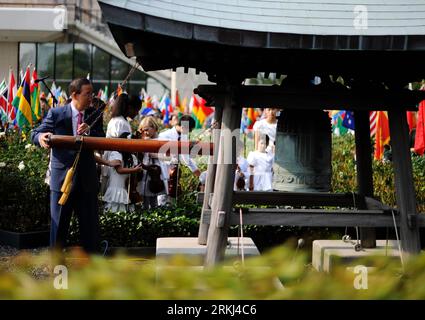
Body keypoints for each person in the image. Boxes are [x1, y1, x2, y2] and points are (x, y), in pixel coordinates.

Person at [31, 78, 104, 253]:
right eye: (87, 94)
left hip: (87, 181)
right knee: (59, 229)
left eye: (92, 93)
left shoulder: (95, 114)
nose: (91, 97)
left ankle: (93, 270)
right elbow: (36, 133)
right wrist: (41, 138)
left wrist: (91, 132)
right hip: (62, 182)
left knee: (90, 229)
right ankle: (56, 271)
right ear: (74, 95)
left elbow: (102, 138)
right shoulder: (56, 114)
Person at [158, 114, 201, 203]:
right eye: (189, 130)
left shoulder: (183, 135)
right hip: (164, 168)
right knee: (162, 196)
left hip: (174, 171)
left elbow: (185, 155)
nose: (188, 132)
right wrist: (195, 170)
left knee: (171, 197)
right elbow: (183, 157)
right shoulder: (164, 135)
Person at [103, 132, 143, 213]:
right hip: (116, 187)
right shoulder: (116, 154)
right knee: (114, 210)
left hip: (127, 189)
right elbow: (119, 170)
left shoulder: (132, 157)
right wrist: (134, 170)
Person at [136, 116, 167, 209]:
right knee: (145, 192)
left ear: (153, 127)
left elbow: (169, 157)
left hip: (157, 170)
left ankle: (154, 210)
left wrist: (156, 155)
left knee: (155, 192)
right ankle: (146, 209)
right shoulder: (144, 140)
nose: (145, 132)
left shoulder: (161, 139)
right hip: (146, 168)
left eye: (147, 129)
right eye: (143, 130)